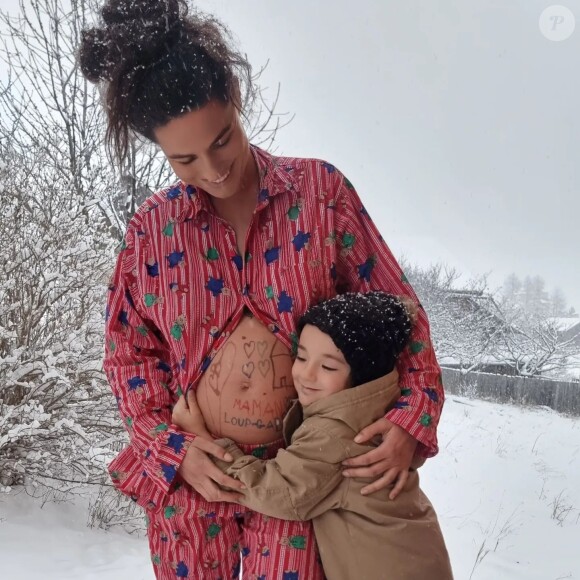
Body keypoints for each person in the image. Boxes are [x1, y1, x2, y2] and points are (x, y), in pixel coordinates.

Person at [79, 1, 445, 578]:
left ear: (236, 99)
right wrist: (169, 449)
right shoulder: (152, 230)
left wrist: (410, 420)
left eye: (222, 139)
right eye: (184, 159)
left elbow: (403, 316)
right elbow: (128, 354)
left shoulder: (320, 196)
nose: (214, 169)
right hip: (194, 474)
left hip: (300, 478)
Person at [173, 291, 454, 579]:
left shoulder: (337, 433)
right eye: (301, 357)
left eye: (328, 367)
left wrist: (203, 438)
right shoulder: (378, 407)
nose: (306, 375)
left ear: (362, 375)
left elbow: (276, 492)